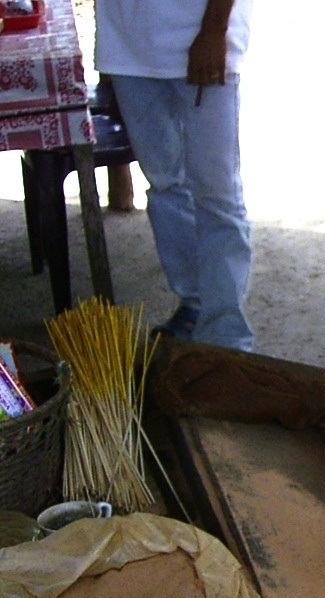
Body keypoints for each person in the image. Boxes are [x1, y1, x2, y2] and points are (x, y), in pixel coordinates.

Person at [94, 0, 255, 352]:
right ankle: (195, 305)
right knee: (166, 186)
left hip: (202, 41)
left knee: (217, 194)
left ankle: (227, 338)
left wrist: (215, 30)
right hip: (127, 49)